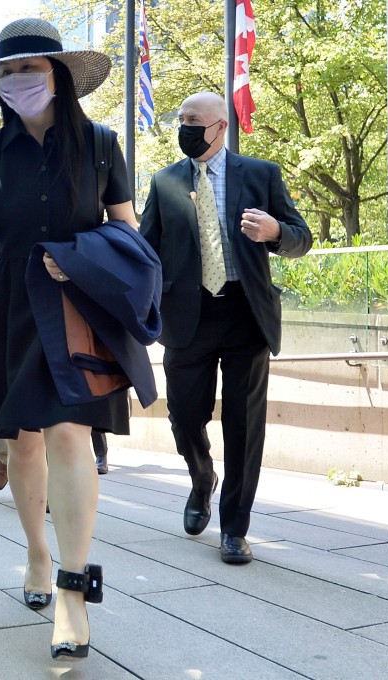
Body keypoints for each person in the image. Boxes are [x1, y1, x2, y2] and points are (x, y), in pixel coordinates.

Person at [0, 18, 161, 660]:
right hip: (9, 304)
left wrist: (81, 257)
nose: (18, 80)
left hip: (77, 305)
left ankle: (73, 596)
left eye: (30, 68)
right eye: (7, 71)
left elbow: (129, 234)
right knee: (21, 446)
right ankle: (36, 551)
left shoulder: (104, 145)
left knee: (69, 434)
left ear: (59, 75)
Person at [138, 91, 312, 565]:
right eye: (180, 119)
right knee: (184, 418)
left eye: (193, 120)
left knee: (244, 426)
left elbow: (302, 238)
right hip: (187, 319)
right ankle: (201, 477)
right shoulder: (165, 182)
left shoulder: (261, 174)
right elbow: (144, 250)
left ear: (219, 126)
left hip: (245, 315)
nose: (184, 127)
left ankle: (234, 529)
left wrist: (276, 232)